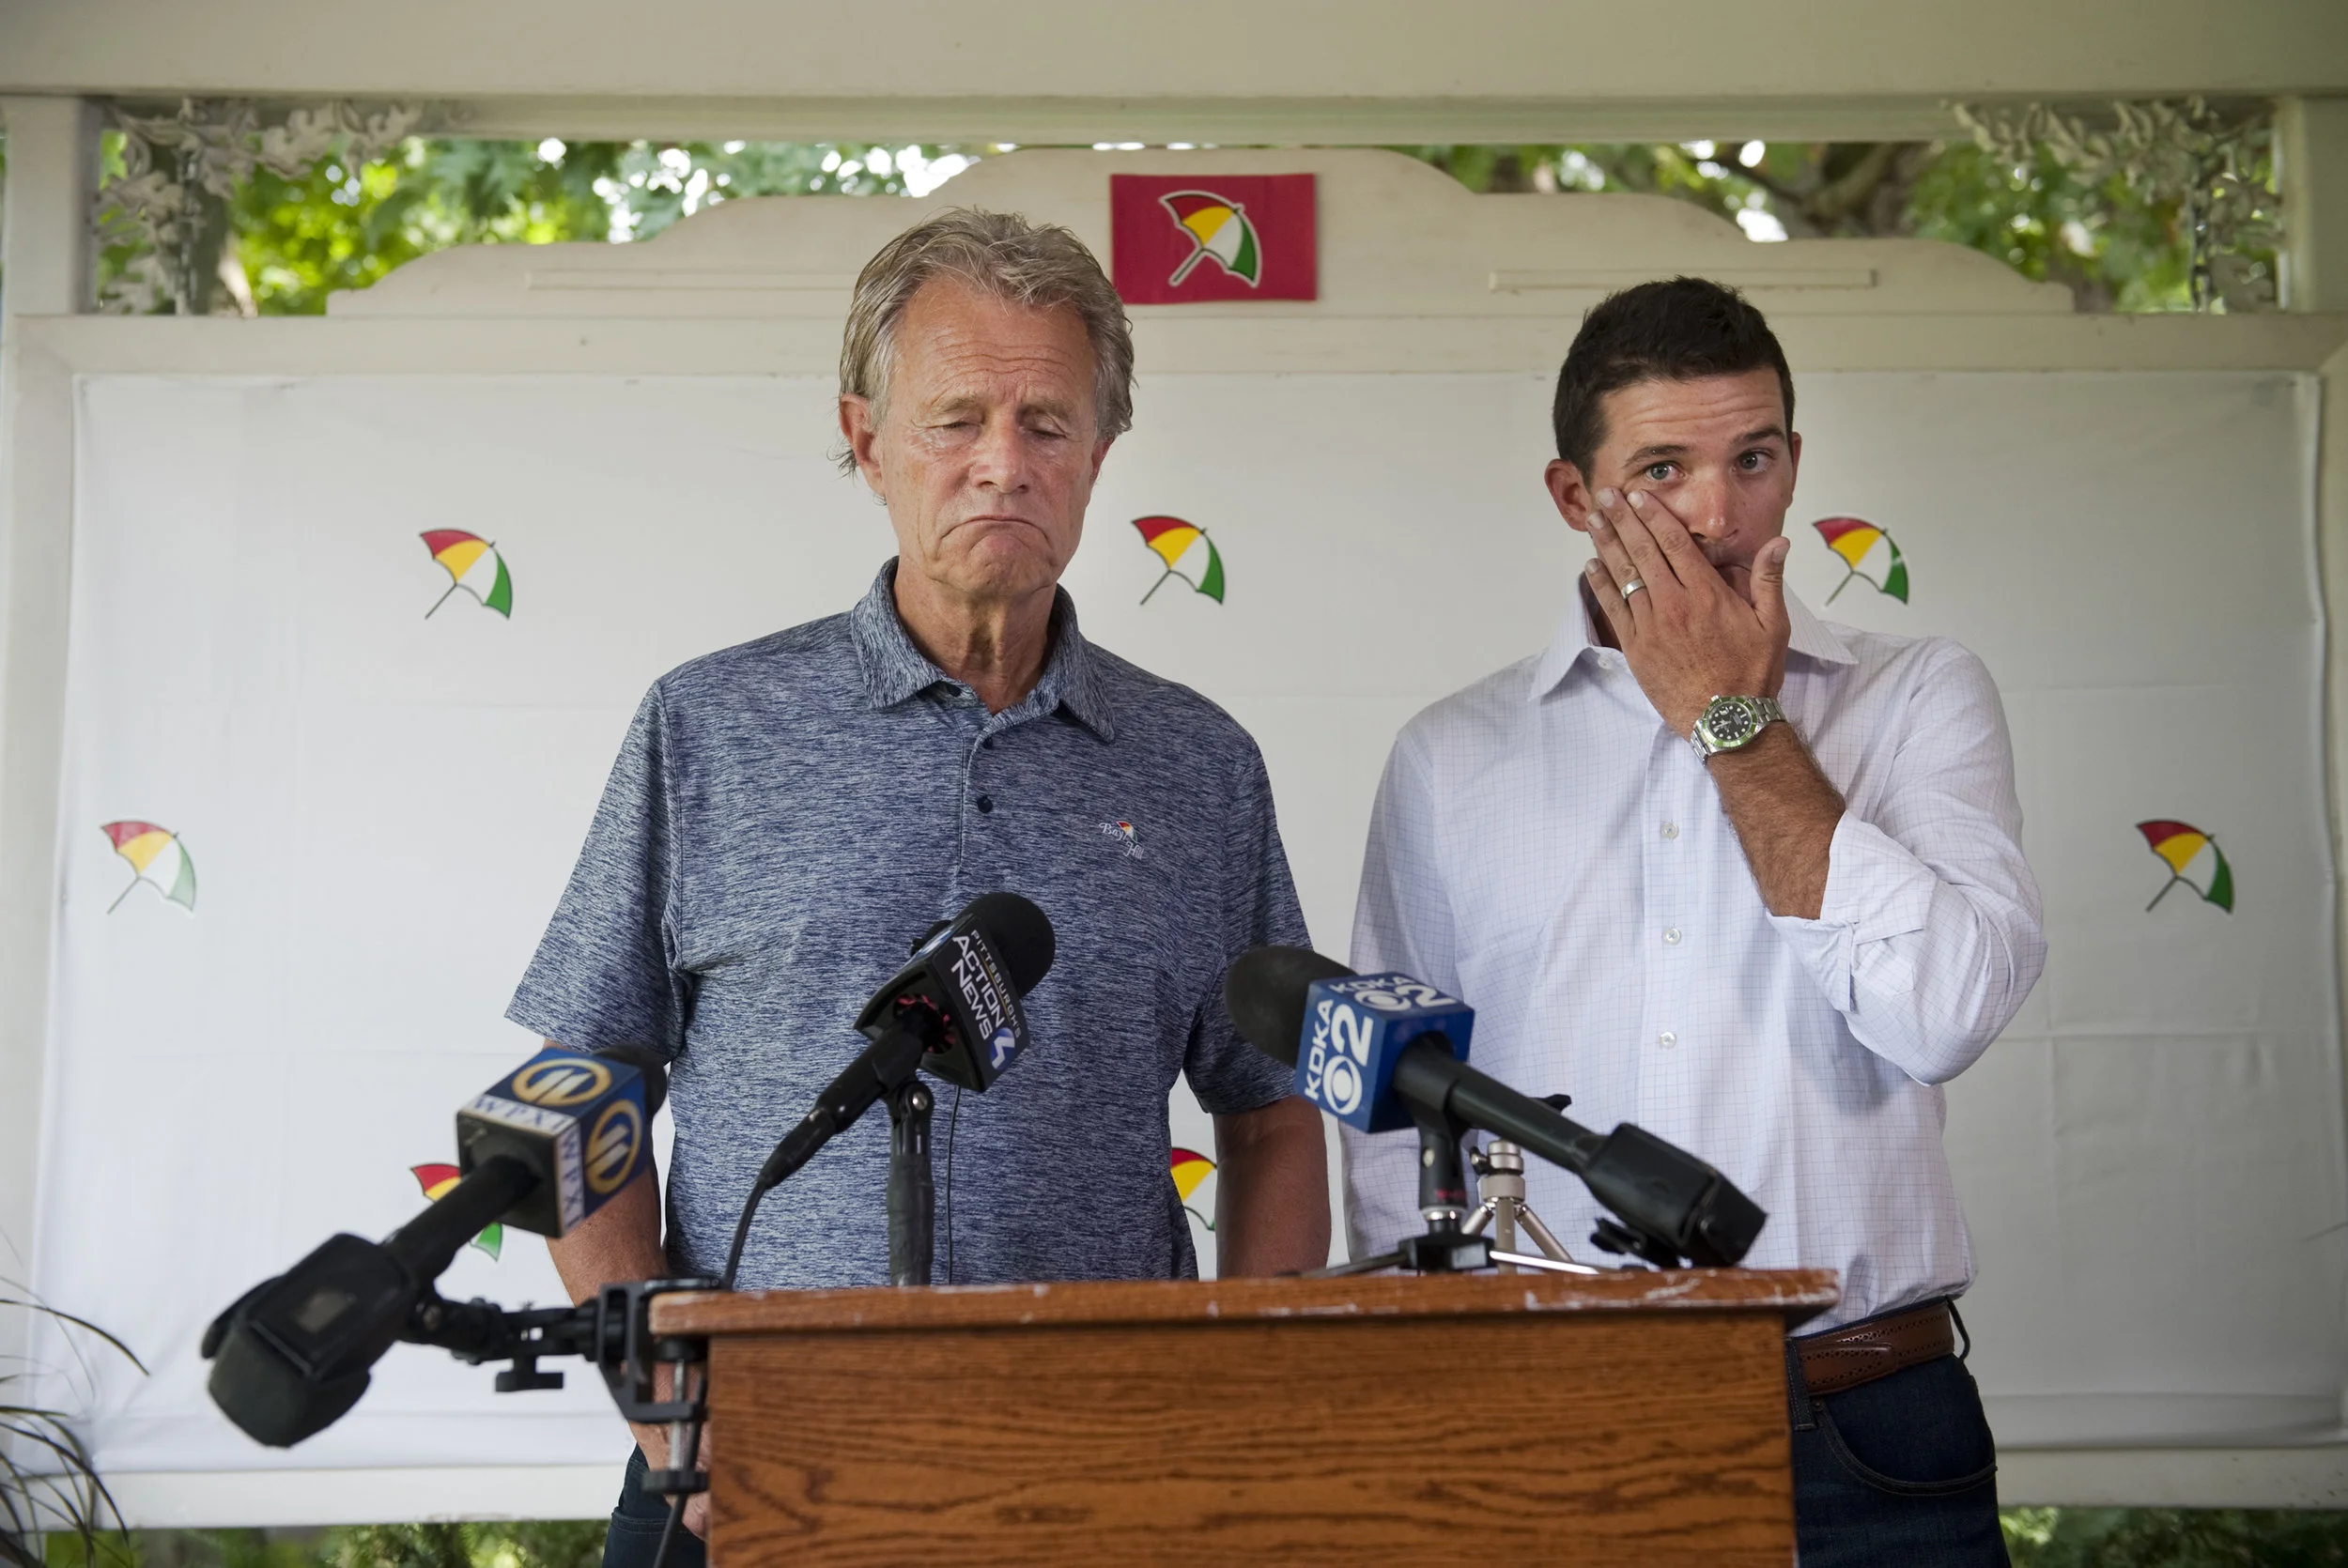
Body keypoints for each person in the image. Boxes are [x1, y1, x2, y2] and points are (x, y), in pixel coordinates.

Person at [510, 208, 1330, 1565]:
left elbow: (1271, 1112)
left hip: (1103, 1467)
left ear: (1100, 456)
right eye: (956, 419)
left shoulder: (1201, 766)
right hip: (750, 1462)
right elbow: (579, 1085)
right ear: (865, 438)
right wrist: (670, 1415)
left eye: (1047, 423)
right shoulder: (710, 729)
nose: (1004, 462)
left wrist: (1239, 1400)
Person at [1344, 276, 2044, 1565]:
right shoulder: (1452, 755)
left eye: (1753, 460)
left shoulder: (1918, 696)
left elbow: (1942, 1014)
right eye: (1664, 469)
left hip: (1862, 1426)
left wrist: (1735, 721)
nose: (1719, 515)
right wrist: (1432, 1405)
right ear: (1575, 496)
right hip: (1549, 1424)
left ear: (1794, 465)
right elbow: (1400, 1113)